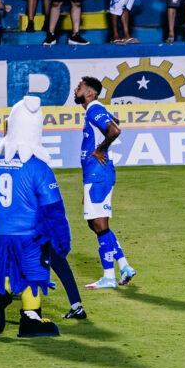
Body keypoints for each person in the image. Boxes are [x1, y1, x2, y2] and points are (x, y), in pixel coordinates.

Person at [0, 97, 69, 337]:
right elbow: (53, 210)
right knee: (32, 272)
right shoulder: (38, 168)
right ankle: (30, 318)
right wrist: (62, 241)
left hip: (3, 234)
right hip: (30, 236)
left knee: (6, 268)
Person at [74, 77, 134, 289]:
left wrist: (100, 149)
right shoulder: (95, 110)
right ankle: (124, 266)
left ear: (89, 93)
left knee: (99, 224)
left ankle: (109, 276)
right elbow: (114, 122)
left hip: (98, 174)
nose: (75, 90)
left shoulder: (93, 108)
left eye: (79, 87)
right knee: (95, 223)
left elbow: (114, 130)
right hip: (95, 176)